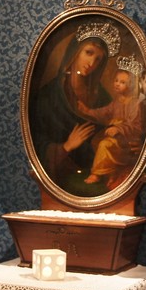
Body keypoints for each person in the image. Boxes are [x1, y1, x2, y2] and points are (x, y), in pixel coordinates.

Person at [29, 21, 121, 195]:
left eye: (98, 59)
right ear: (75, 51)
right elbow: (38, 142)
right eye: (89, 52)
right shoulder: (49, 96)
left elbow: (114, 126)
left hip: (98, 175)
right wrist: (67, 146)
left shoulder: (102, 96)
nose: (92, 62)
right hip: (63, 178)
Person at [76, 54, 145, 188]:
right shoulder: (117, 102)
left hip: (126, 140)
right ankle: (109, 171)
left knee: (104, 145)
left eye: (122, 82)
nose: (117, 84)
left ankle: (96, 174)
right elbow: (103, 113)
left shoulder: (136, 104)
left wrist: (118, 129)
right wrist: (87, 111)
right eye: (116, 80)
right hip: (114, 137)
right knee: (96, 141)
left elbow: (136, 126)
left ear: (131, 85)